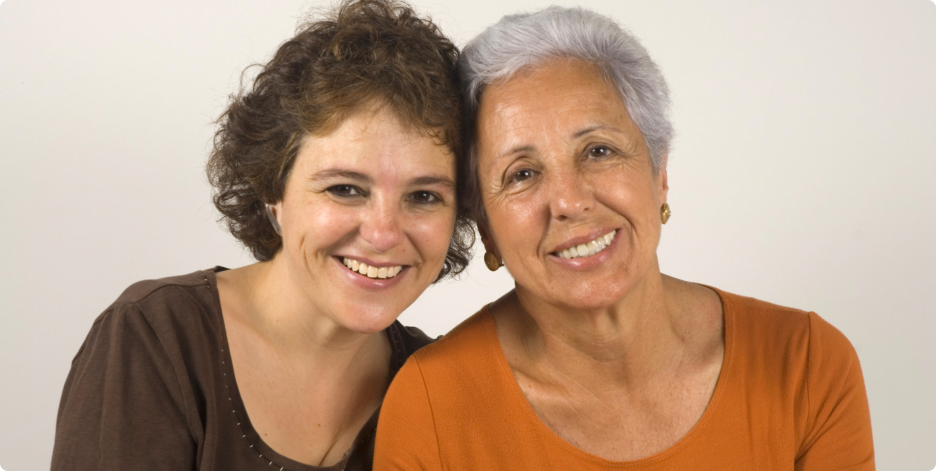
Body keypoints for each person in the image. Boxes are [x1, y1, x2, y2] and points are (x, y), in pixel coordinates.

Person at [374, 6, 874, 470]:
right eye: (522, 174)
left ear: (659, 172)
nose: (569, 200)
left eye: (598, 151)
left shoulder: (806, 365)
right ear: (485, 226)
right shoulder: (430, 407)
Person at [50, 0, 471, 469]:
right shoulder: (155, 337)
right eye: (345, 188)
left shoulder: (440, 387)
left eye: (425, 197)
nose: (383, 233)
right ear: (274, 190)